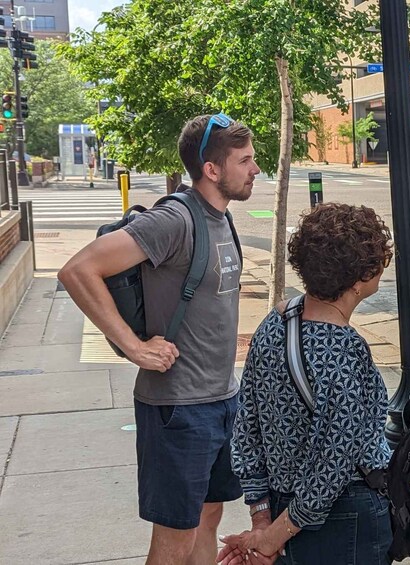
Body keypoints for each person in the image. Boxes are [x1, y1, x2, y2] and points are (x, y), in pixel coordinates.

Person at [58, 113, 260, 564]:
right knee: (175, 540)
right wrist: (134, 346)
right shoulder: (175, 219)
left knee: (208, 518)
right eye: (245, 160)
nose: (255, 169)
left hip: (221, 398)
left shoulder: (221, 218)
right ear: (212, 169)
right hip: (177, 409)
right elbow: (77, 270)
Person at [219, 203, 395, 565]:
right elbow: (334, 461)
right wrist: (271, 538)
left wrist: (262, 519)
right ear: (361, 278)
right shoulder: (344, 349)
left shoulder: (275, 324)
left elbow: (246, 426)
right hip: (343, 516)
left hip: (283, 510)